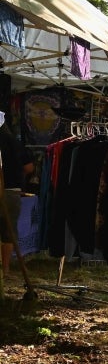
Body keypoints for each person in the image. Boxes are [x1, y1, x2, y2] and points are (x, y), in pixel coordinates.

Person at [0, 117, 35, 274]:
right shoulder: (13, 142)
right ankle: (5, 268)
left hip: (9, 189)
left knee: (8, 231)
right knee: (9, 231)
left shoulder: (12, 142)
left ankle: (5, 268)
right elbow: (29, 167)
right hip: (11, 190)